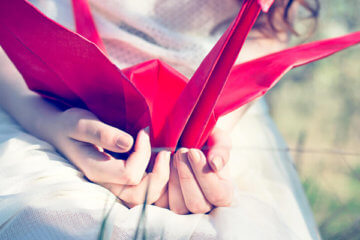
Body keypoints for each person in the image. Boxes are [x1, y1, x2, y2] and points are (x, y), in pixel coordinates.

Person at [0, 0, 320, 239]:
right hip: (38, 105)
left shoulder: (275, 10)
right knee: (49, 220)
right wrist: (46, 123)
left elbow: (253, 57)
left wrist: (204, 140)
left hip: (186, 143)